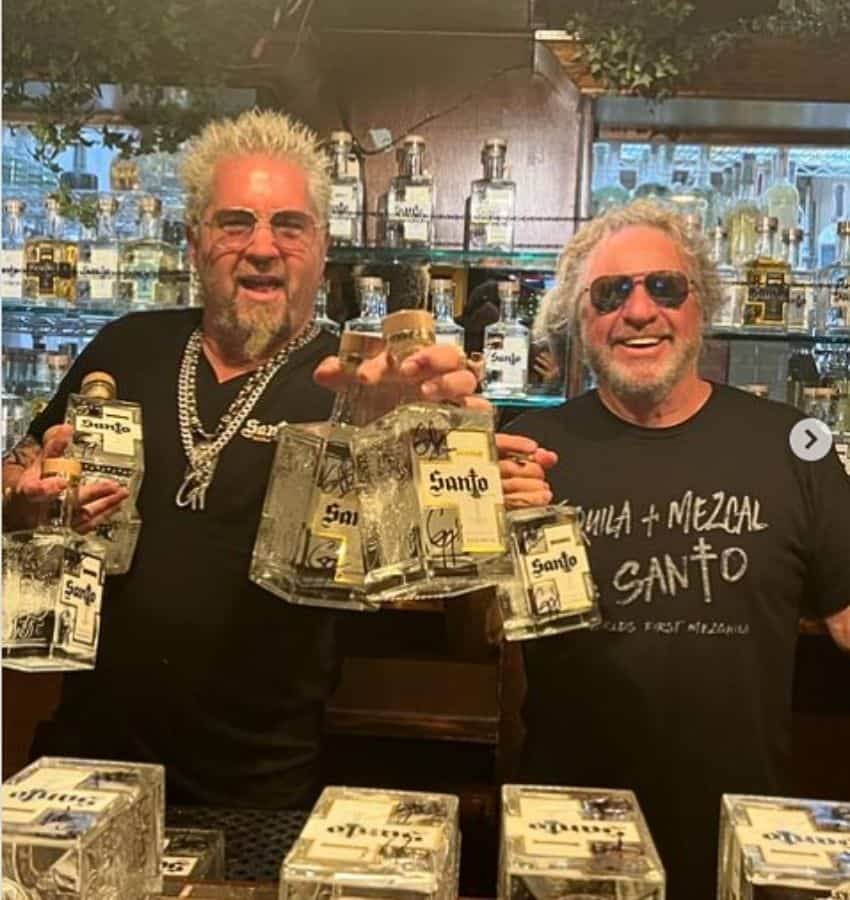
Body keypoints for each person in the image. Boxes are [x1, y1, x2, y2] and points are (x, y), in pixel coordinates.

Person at [2, 109, 480, 808]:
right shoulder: (126, 346)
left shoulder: (358, 381)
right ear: (196, 242)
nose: (262, 247)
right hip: (88, 760)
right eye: (235, 223)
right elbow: (20, 468)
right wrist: (21, 492)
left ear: (322, 246)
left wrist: (427, 439)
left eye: (289, 225)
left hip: (263, 780)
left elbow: (434, 570)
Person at [497, 200, 850, 900]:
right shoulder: (529, 450)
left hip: (740, 845)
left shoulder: (795, 444)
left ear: (701, 305)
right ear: (579, 319)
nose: (638, 311)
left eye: (664, 287)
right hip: (571, 840)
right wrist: (499, 540)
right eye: (610, 293)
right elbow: (482, 632)